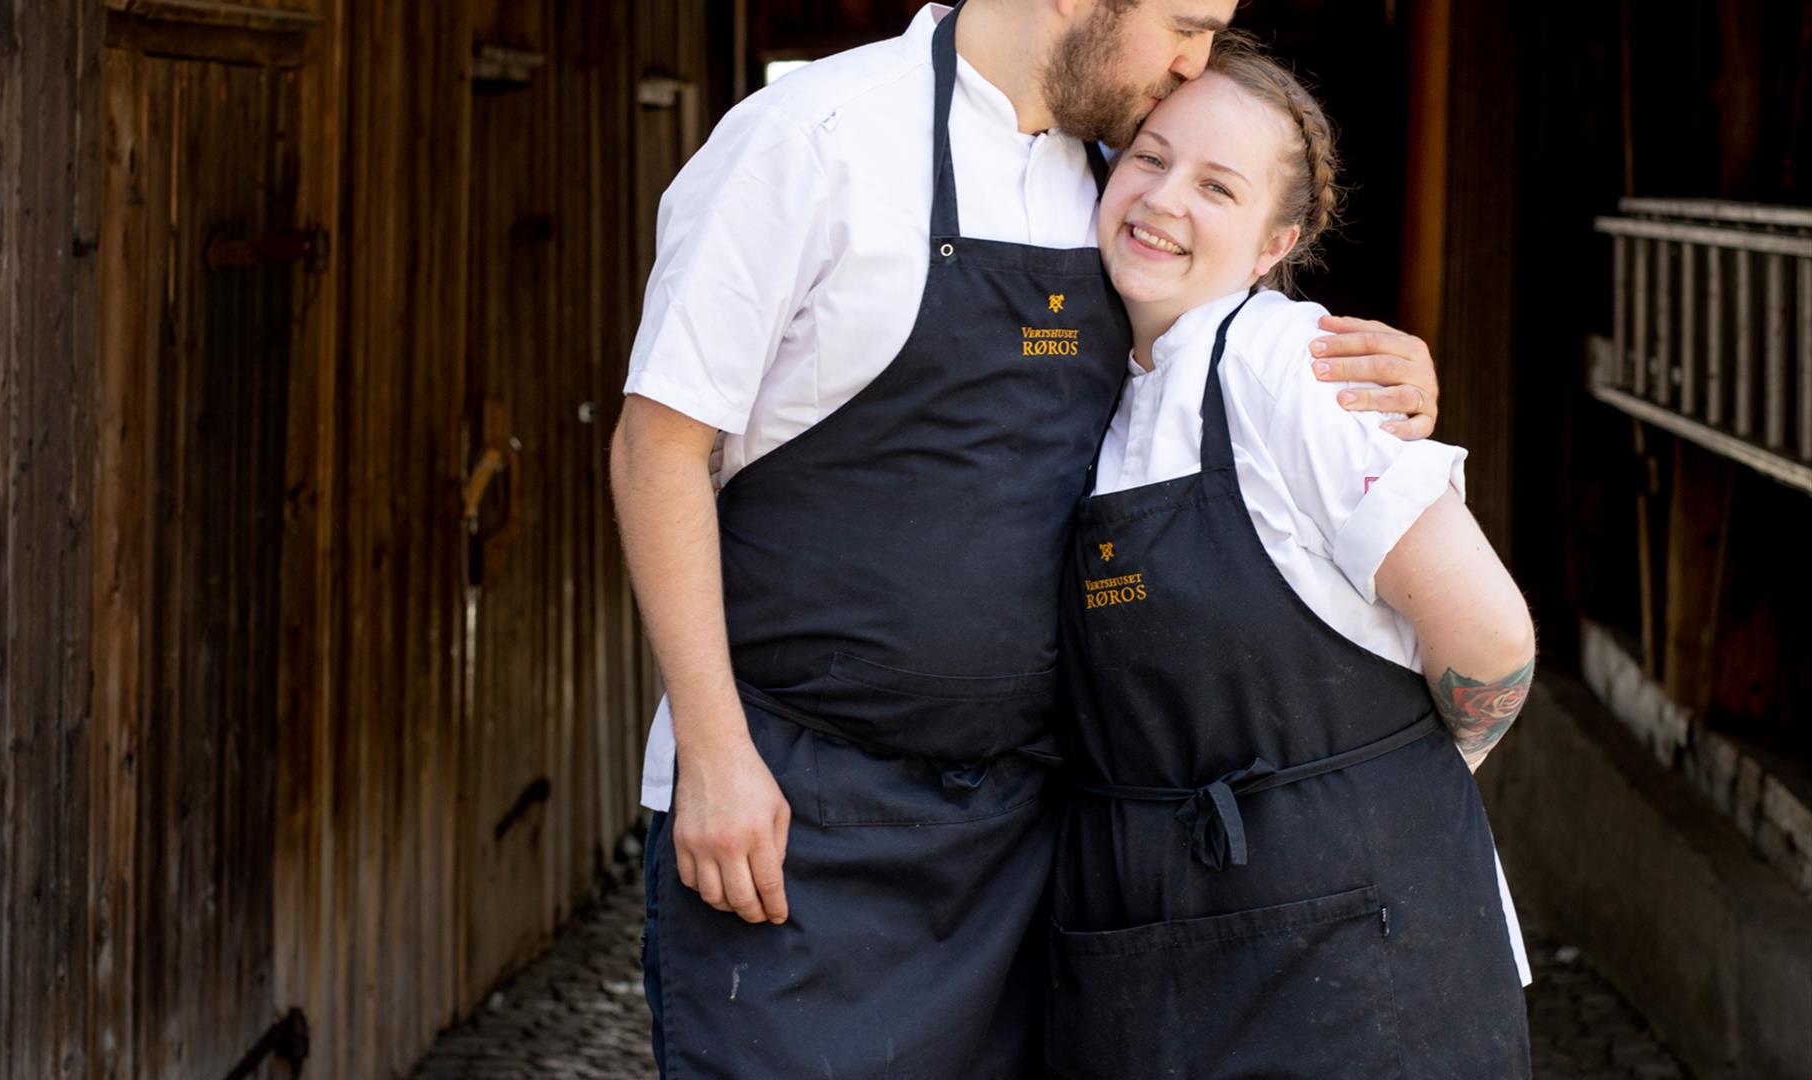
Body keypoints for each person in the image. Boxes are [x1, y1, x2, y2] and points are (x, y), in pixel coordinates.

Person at [609, 2, 1447, 1076]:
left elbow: (1225, 348)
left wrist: (1385, 382)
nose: (1196, 64)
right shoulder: (810, 141)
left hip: (1022, 839)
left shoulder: (1121, 177)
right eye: (1186, 25)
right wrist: (716, 760)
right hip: (796, 818)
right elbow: (655, 450)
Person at [1045, 37, 1534, 1078]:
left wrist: (1393, 785)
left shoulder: (1295, 368)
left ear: (1276, 243)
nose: (1163, 199)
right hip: (1166, 949)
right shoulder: (1101, 386)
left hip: (1361, 961)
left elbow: (1491, 638)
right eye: (1149, 157)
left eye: (1216, 185)